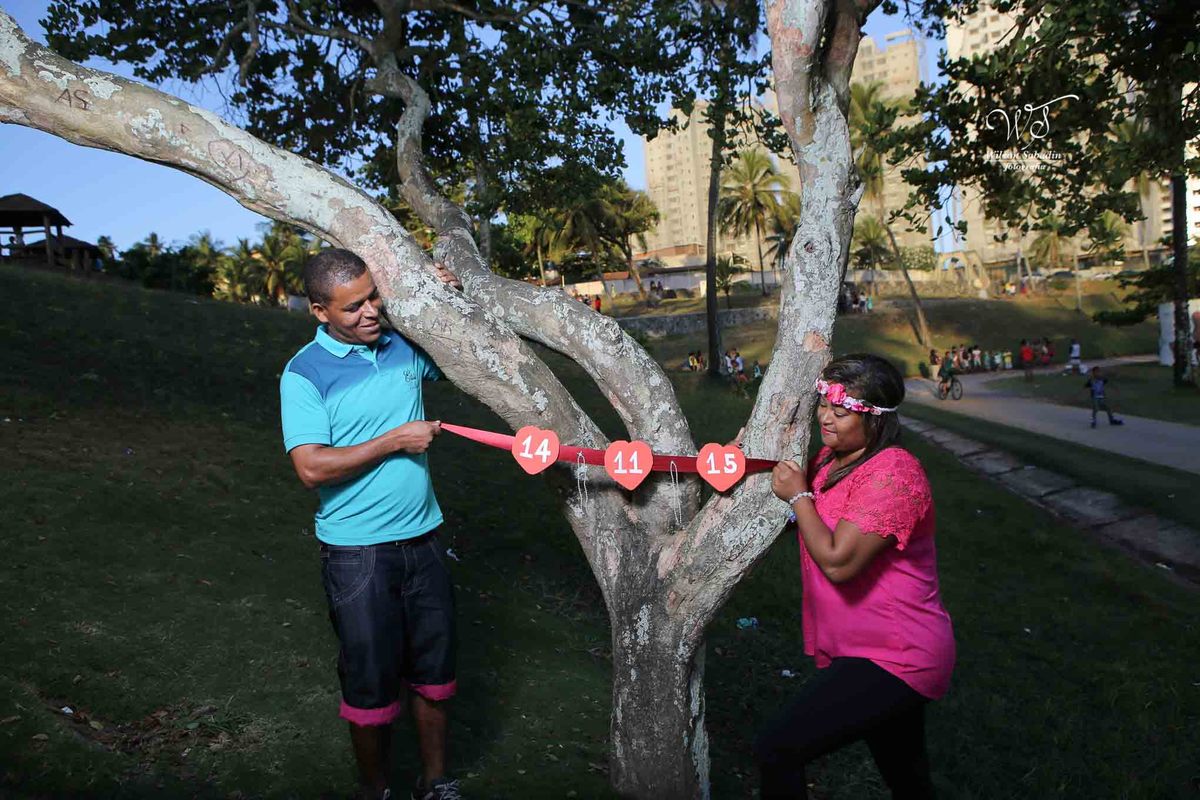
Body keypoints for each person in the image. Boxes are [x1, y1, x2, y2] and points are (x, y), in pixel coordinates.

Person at [280, 249, 464, 800]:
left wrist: (443, 296)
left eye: (374, 297)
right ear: (319, 311)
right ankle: (375, 791)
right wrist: (394, 441)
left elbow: (460, 354)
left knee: (434, 676)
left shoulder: (401, 346)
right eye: (353, 306)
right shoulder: (304, 374)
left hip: (424, 542)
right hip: (357, 555)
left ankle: (435, 784)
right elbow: (311, 466)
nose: (370, 312)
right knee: (369, 684)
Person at [754, 354, 955, 799]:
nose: (825, 417)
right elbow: (812, 520)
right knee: (907, 780)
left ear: (876, 421)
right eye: (823, 405)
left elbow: (838, 562)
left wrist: (799, 497)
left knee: (778, 749)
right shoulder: (832, 458)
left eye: (840, 412)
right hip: (864, 647)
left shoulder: (894, 476)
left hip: (896, 654)